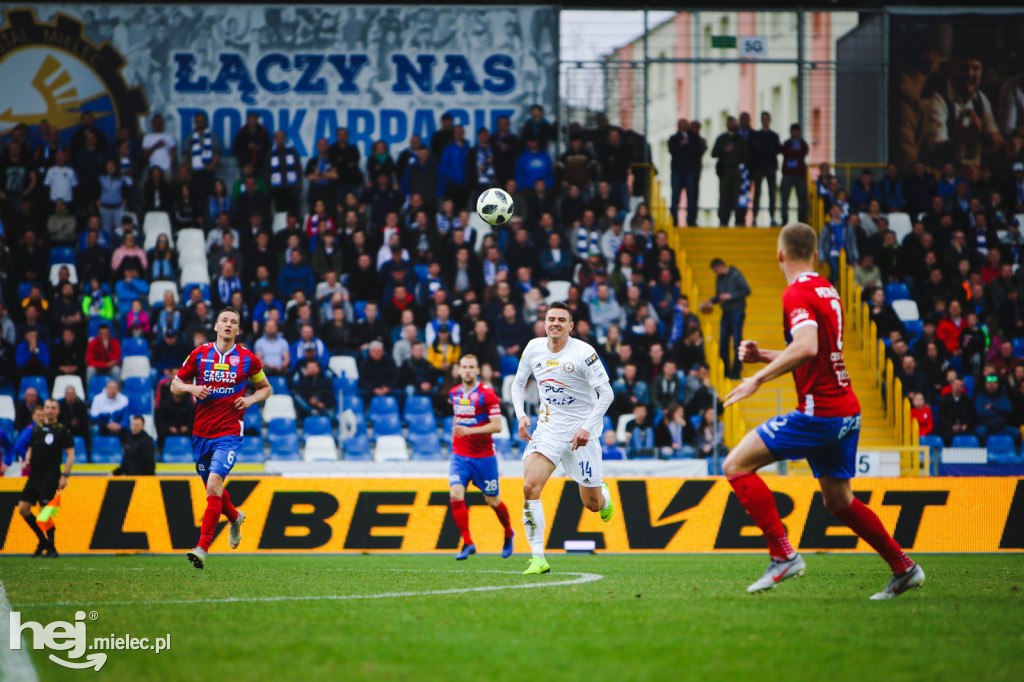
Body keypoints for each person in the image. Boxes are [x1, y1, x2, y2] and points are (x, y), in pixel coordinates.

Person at [722, 222, 924, 599]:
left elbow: (807, 347)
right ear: (815, 253)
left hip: (821, 413)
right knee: (839, 501)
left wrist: (757, 379)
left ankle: (783, 556)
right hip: (846, 409)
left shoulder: (795, 293)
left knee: (735, 465)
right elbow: (818, 353)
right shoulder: (827, 288)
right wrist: (763, 355)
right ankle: (903, 566)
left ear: (781, 254)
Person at [511, 302, 615, 575]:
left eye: (561, 320)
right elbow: (518, 383)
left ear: (571, 326)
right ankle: (538, 558)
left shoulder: (584, 353)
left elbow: (607, 394)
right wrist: (521, 415)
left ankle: (603, 493)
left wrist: (587, 428)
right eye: (551, 319)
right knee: (530, 487)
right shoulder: (533, 348)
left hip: (582, 434)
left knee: (592, 505)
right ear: (544, 323)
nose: (555, 323)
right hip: (548, 429)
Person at [171, 306, 273, 569]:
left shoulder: (248, 359)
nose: (228, 325)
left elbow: (266, 388)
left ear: (238, 330)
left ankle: (202, 547)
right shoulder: (200, 354)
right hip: (201, 432)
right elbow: (175, 384)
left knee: (215, 483)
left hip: (229, 433)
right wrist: (191, 387)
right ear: (215, 326)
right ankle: (236, 517)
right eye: (224, 320)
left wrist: (249, 399)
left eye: (234, 322)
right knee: (212, 490)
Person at [447, 354, 516, 560]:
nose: (467, 370)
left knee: (492, 500)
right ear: (459, 370)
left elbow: (498, 425)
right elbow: (458, 418)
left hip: (484, 457)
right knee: (455, 494)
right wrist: (458, 432)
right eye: (464, 367)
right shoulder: (454, 394)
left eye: (471, 367)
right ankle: (468, 543)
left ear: (478, 371)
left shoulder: (488, 394)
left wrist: (469, 431)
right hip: (460, 455)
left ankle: (508, 532)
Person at [20, 398, 74, 557]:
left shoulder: (61, 430)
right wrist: (27, 459)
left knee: (44, 512)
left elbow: (71, 454)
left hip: (51, 474)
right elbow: (30, 448)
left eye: (53, 408)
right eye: (47, 407)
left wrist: (65, 475)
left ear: (57, 411)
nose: (49, 410)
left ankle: (51, 546)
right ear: (44, 409)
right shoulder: (37, 429)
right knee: (23, 509)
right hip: (35, 473)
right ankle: (43, 541)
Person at [701, 259, 751, 380]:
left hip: (737, 311)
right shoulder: (719, 278)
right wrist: (711, 301)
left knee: (736, 342)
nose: (716, 273)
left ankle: (736, 371)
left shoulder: (735, 274)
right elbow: (719, 296)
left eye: (716, 270)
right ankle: (725, 371)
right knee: (723, 342)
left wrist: (731, 296)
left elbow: (746, 290)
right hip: (726, 312)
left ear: (720, 266)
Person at [711, 116, 749, 227]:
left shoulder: (741, 139)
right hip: (724, 172)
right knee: (724, 196)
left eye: (733, 122)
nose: (731, 124)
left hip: (737, 172)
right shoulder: (721, 139)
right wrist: (724, 151)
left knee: (738, 196)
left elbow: (746, 155)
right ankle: (723, 220)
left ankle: (739, 219)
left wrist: (740, 166)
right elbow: (713, 153)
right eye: (729, 122)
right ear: (726, 124)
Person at [750, 112, 782, 226]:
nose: (765, 121)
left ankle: (772, 217)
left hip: (770, 167)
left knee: (772, 192)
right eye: (763, 119)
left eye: (767, 119)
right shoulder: (756, 135)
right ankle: (754, 217)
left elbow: (777, 149)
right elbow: (754, 151)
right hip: (759, 167)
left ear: (770, 120)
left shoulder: (774, 136)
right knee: (757, 192)